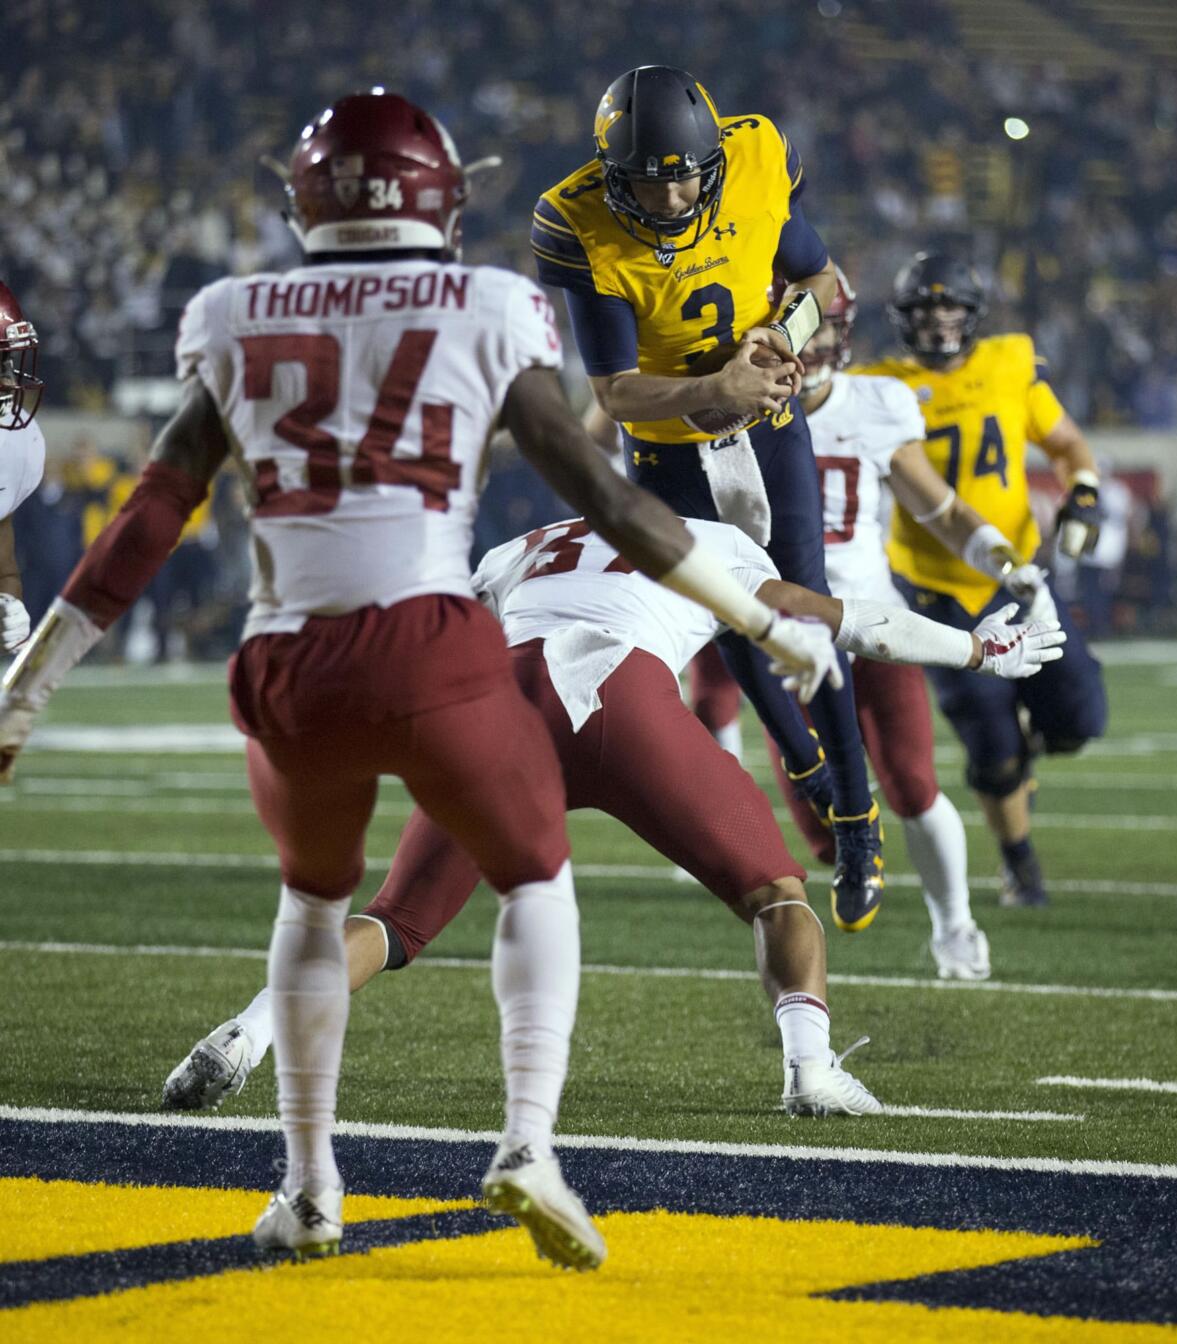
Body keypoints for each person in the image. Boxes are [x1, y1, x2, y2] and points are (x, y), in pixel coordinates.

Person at [0, 91, 843, 1271]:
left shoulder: (233, 314)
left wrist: (26, 691)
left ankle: (305, 1188)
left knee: (314, 908)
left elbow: (147, 519)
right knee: (535, 880)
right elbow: (609, 498)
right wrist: (758, 612)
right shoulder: (483, 303)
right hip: (433, 649)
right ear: (437, 198)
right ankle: (525, 1144)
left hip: (284, 663)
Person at [163, 516, 1061, 1121]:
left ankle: (248, 1031)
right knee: (777, 894)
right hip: (618, 699)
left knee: (396, 920)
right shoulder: (715, 538)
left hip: (497, 708)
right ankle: (811, 1071)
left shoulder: (527, 540)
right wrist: (979, 647)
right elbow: (850, 624)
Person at [532, 64, 886, 934]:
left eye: (686, 173)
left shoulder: (758, 154)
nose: (672, 194)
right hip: (669, 451)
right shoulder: (573, 218)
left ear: (715, 158)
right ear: (614, 175)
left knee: (803, 608)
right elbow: (615, 393)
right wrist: (711, 387)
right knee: (730, 618)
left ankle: (855, 811)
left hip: (768, 427)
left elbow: (825, 284)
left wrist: (779, 339)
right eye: (649, 181)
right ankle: (802, 764)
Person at [771, 269, 1075, 972]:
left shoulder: (876, 403)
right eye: (800, 326)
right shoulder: (740, 411)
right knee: (823, 838)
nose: (813, 344)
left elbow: (940, 509)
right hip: (789, 635)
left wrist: (1005, 561)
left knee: (911, 784)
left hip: (874, 621)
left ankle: (956, 927)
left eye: (824, 326)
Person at [857, 254, 1109, 907]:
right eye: (925, 311)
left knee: (1083, 717)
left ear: (973, 316)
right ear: (903, 319)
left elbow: (1068, 446)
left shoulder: (1010, 362)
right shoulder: (877, 385)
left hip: (1022, 579)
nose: (940, 324)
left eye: (951, 310)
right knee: (992, 750)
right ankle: (1020, 865)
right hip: (938, 591)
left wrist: (1083, 493)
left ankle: (1030, 753)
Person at [0, 281, 46, 655]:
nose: (9, 381)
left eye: (8, 362)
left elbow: (5, 571)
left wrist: (7, 607)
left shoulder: (17, 445)